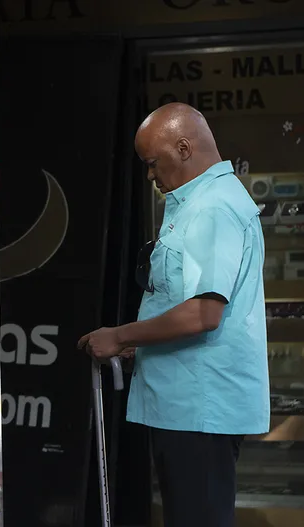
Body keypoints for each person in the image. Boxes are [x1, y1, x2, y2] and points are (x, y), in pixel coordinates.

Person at [78, 102, 270, 527]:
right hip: (189, 405)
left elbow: (203, 312)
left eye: (152, 163)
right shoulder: (201, 201)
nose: (150, 175)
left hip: (198, 408)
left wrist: (122, 335)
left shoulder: (212, 207)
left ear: (183, 148)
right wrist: (143, 345)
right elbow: (183, 303)